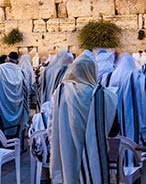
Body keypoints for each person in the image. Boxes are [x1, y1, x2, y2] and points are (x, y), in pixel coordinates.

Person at [50, 50, 117, 184]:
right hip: (94, 156)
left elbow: (53, 126)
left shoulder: (61, 91)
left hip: (66, 151)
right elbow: (114, 130)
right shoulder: (104, 95)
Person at [0, 51, 29, 137]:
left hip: (1, 104)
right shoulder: (21, 72)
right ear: (17, 61)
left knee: (0, 132)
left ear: (7, 58)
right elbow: (26, 91)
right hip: (16, 108)